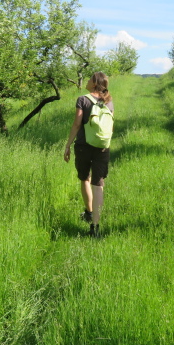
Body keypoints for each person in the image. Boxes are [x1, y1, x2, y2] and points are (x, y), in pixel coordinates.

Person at [64, 72, 114, 238]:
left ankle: (89, 212)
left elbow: (77, 124)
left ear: (94, 83)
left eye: (88, 79)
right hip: (102, 147)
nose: (85, 81)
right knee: (98, 183)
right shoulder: (108, 101)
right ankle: (96, 226)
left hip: (83, 146)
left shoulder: (82, 100)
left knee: (85, 178)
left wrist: (68, 144)